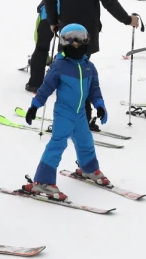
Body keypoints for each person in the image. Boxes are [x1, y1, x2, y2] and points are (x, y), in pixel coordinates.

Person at [41, 0, 141, 129]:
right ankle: (82, 119)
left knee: (66, 72)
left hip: (66, 33)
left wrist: (53, 22)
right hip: (87, 36)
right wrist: (128, 20)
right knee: (81, 75)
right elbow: (110, 3)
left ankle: (65, 117)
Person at [21, 24, 111, 199]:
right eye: (72, 41)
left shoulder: (89, 67)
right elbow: (46, 88)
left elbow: (94, 88)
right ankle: (43, 182)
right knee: (57, 144)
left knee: (86, 142)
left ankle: (89, 168)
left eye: (80, 41)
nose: (76, 45)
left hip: (80, 115)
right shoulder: (59, 66)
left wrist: (99, 105)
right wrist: (35, 106)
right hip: (64, 113)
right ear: (64, 43)